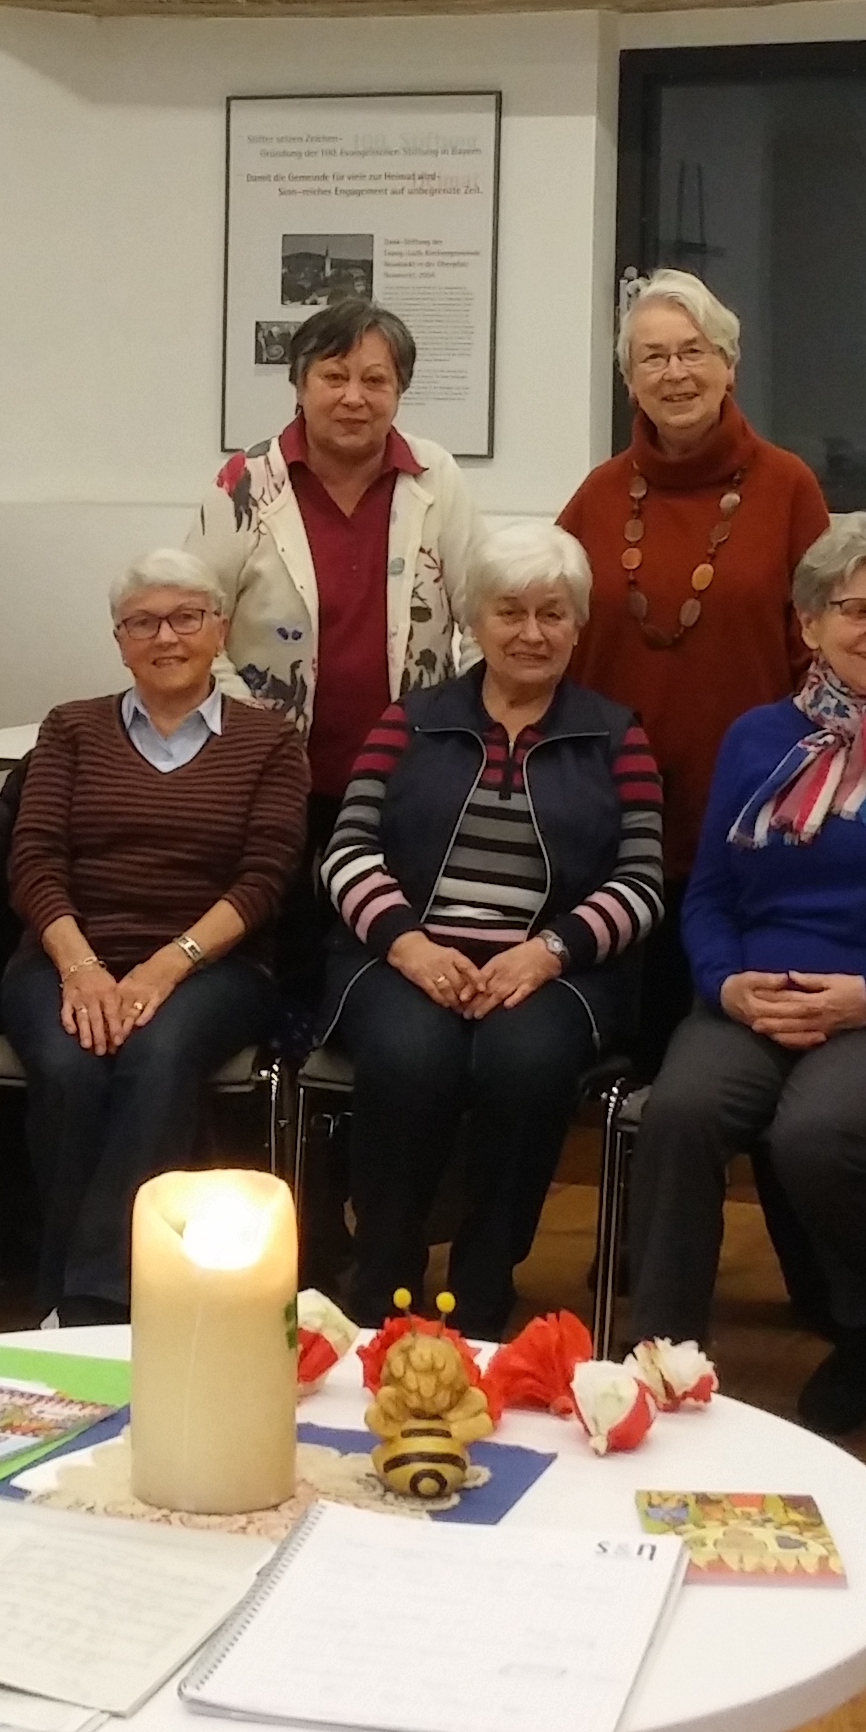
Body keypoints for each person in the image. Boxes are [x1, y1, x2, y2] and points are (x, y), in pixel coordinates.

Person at [625, 518, 866, 1413]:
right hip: (756, 995)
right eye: (859, 610)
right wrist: (725, 982)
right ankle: (660, 1358)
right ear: (810, 626)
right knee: (680, 1113)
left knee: (816, 1131)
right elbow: (710, 893)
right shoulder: (757, 736)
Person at [316, 521, 667, 1326]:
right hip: (402, 958)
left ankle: (482, 1277)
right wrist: (408, 943)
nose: (532, 633)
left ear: (579, 626)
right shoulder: (409, 721)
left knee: (525, 1063)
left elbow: (642, 882)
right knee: (411, 1055)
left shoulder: (618, 735)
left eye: (554, 614)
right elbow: (345, 854)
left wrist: (547, 952)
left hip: (555, 971)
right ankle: (386, 1270)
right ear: (475, 620)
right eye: (511, 612)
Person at [3, 547, 308, 1321]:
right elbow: (34, 859)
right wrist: (81, 968)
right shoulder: (71, 728)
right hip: (66, 956)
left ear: (220, 628)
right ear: (119, 638)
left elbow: (265, 880)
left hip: (216, 967)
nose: (165, 637)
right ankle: (92, 1292)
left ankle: (85, 1299)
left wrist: (167, 967)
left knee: (159, 1052)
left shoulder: (269, 741)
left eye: (185, 617)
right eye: (143, 622)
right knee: (71, 1066)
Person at [555, 270, 829, 948]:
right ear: (630, 380)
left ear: (729, 366)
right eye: (652, 356)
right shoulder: (599, 492)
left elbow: (821, 648)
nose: (674, 373)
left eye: (692, 351)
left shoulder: (789, 486)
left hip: (749, 796)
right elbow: (546, 627)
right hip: (608, 803)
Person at [197, 294, 481, 927]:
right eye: (333, 376)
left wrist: (475, 726)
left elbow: (484, 615)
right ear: (299, 385)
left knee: (387, 931)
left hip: (412, 769)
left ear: (399, 391)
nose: (354, 397)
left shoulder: (437, 476)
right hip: (270, 770)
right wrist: (248, 727)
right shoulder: (246, 480)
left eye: (375, 380)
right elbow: (194, 623)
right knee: (279, 931)